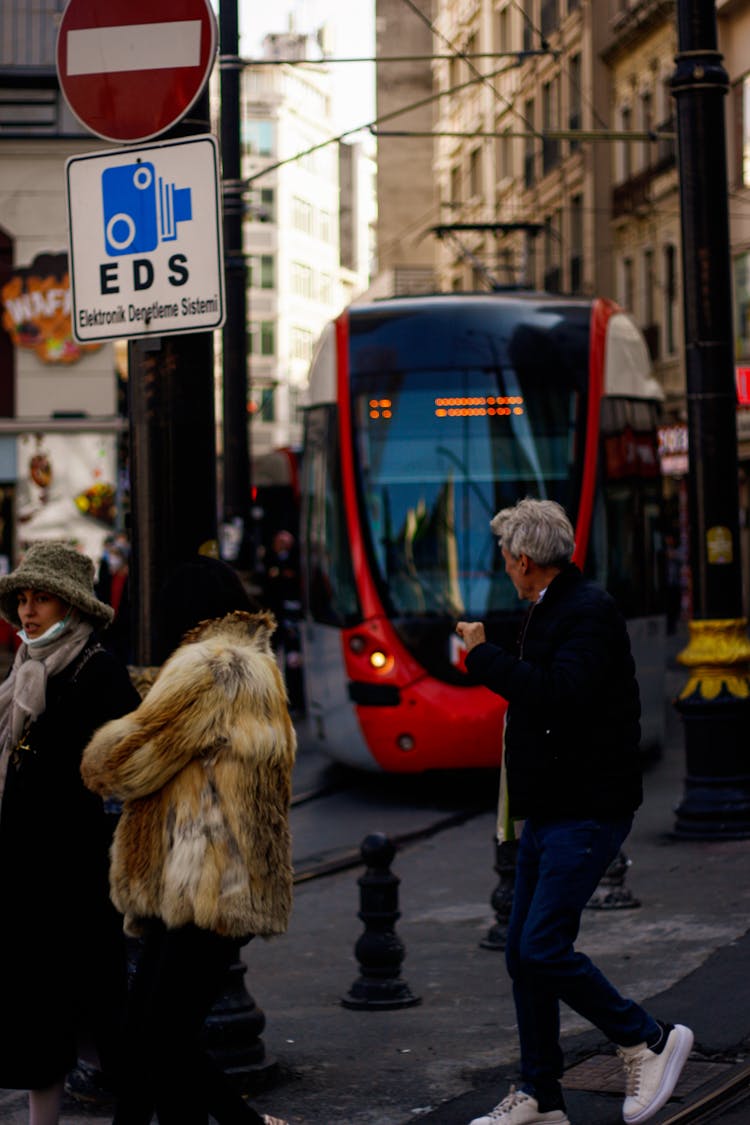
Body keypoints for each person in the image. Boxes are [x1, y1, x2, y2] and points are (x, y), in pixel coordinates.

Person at [456, 499, 693, 1125]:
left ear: (525, 560)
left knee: (540, 946)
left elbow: (558, 695)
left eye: (506, 558)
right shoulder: (551, 607)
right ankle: (542, 1096)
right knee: (521, 952)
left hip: (586, 808)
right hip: (552, 808)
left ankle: (648, 1038)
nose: (505, 568)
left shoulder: (586, 612)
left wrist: (482, 657)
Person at [80, 556, 295, 1125]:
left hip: (203, 879)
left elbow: (128, 762)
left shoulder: (212, 667)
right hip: (223, 877)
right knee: (154, 1034)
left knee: (156, 1035)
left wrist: (100, 750)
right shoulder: (256, 664)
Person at [0, 541, 141, 1125]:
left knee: (105, 1015)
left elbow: (134, 761)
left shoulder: (96, 668)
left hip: (77, 877)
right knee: (38, 1019)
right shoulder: (24, 668)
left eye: (44, 601)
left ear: (74, 607)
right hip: (23, 872)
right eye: (25, 601)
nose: (29, 613)